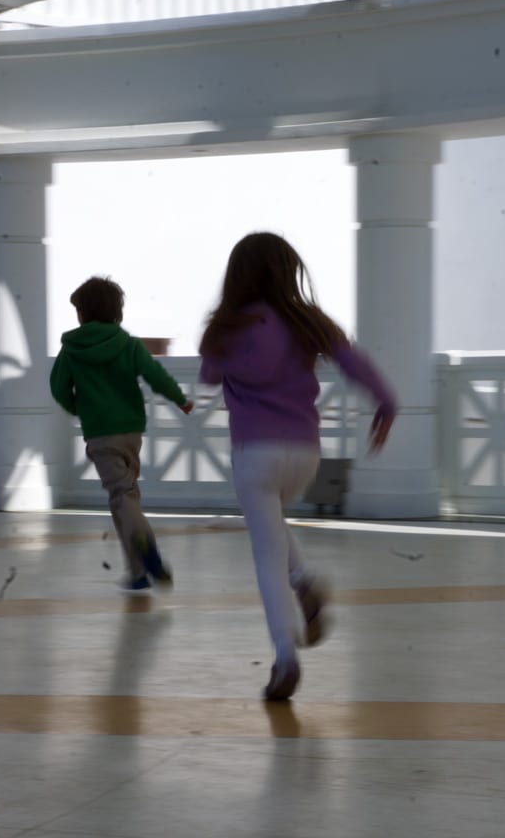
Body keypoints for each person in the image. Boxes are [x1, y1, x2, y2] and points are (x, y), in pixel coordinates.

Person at [198, 232, 397, 700]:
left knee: (265, 552)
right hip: (304, 454)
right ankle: (304, 581)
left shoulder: (226, 327)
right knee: (272, 526)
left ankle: (285, 655)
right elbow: (356, 363)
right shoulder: (307, 321)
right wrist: (386, 404)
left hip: (253, 454)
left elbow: (208, 378)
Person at [50, 275, 193, 591]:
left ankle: (144, 547)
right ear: (117, 312)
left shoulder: (72, 349)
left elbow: (58, 388)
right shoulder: (128, 345)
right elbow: (156, 374)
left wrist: (81, 408)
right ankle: (137, 571)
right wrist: (181, 400)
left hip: (100, 434)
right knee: (126, 496)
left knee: (121, 496)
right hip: (131, 432)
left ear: (82, 313)